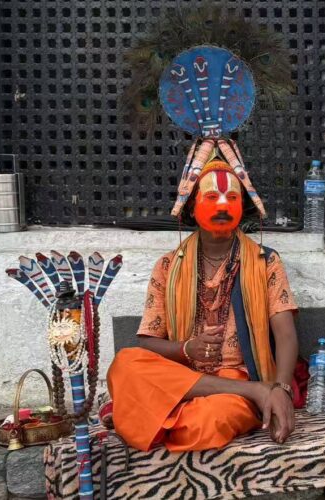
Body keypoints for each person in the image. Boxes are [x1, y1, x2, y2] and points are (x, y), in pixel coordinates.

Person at [107, 158, 299, 451]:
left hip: (235, 380)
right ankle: (253, 392)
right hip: (181, 379)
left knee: (205, 424)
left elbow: (285, 334)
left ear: (241, 207)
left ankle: (150, 414)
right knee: (125, 364)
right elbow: (147, 343)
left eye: (232, 198)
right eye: (211, 197)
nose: (222, 205)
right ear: (192, 208)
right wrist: (186, 348)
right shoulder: (168, 265)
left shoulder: (266, 262)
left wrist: (281, 390)